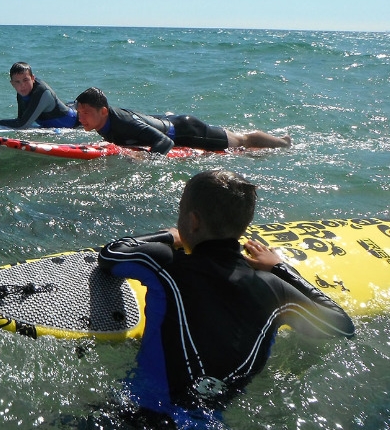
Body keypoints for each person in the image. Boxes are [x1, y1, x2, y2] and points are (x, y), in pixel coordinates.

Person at [97, 170, 355, 428]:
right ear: (244, 225)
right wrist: (281, 268)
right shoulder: (276, 290)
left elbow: (111, 254)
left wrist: (169, 235)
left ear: (193, 221)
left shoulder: (166, 264)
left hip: (135, 415)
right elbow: (341, 326)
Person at [75, 87, 291, 155]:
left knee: (241, 140)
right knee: (236, 140)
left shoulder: (123, 122)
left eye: (85, 112)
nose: (80, 117)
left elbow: (165, 143)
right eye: (78, 112)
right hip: (171, 123)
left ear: (103, 111)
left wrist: (147, 161)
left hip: (186, 131)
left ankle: (283, 142)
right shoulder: (102, 120)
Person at [0, 62, 79, 129]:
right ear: (12, 84)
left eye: (25, 80)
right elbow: (21, 120)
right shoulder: (21, 92)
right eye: (17, 82)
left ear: (33, 78)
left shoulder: (42, 93)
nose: (22, 85)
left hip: (76, 122)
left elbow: (22, 125)